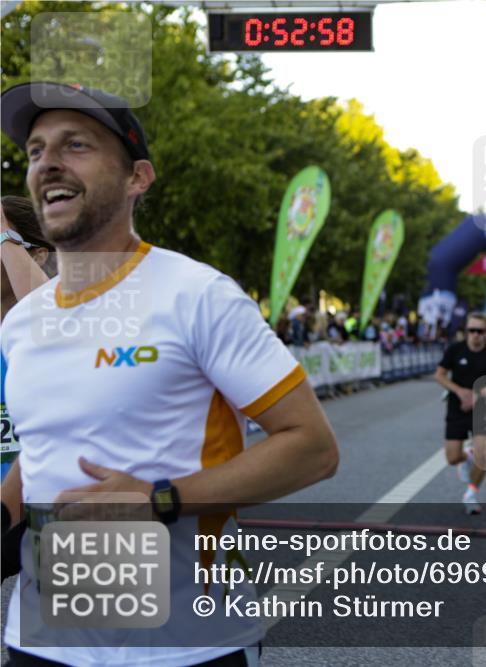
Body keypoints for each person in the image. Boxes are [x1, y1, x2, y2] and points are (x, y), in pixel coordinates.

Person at [0, 81, 339, 666]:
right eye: (35, 149)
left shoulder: (198, 295)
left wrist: (162, 499)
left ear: (138, 178)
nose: (48, 161)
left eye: (76, 144)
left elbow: (312, 448)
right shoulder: (23, 321)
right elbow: (41, 447)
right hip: (39, 643)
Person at [1, 196, 57, 579]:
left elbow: (45, 307)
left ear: (36, 255)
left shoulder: (57, 320)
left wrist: (4, 233)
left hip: (50, 503)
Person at [434, 312, 486, 515]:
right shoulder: (455, 349)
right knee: (452, 458)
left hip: (481, 407)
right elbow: (439, 374)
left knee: (482, 455)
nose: (474, 335)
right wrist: (459, 391)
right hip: (456, 406)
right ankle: (466, 459)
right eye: (470, 330)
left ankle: (471, 494)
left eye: (479, 331)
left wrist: (480, 394)